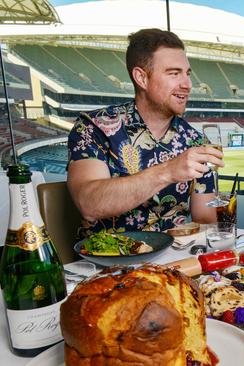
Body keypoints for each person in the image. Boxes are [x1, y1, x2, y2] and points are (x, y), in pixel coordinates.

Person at [67, 28, 223, 237]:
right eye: (174, 73)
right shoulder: (93, 127)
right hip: (109, 262)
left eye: (187, 74)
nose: (187, 84)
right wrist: (168, 171)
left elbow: (205, 218)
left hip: (173, 260)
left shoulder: (196, 140)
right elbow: (90, 204)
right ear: (141, 78)